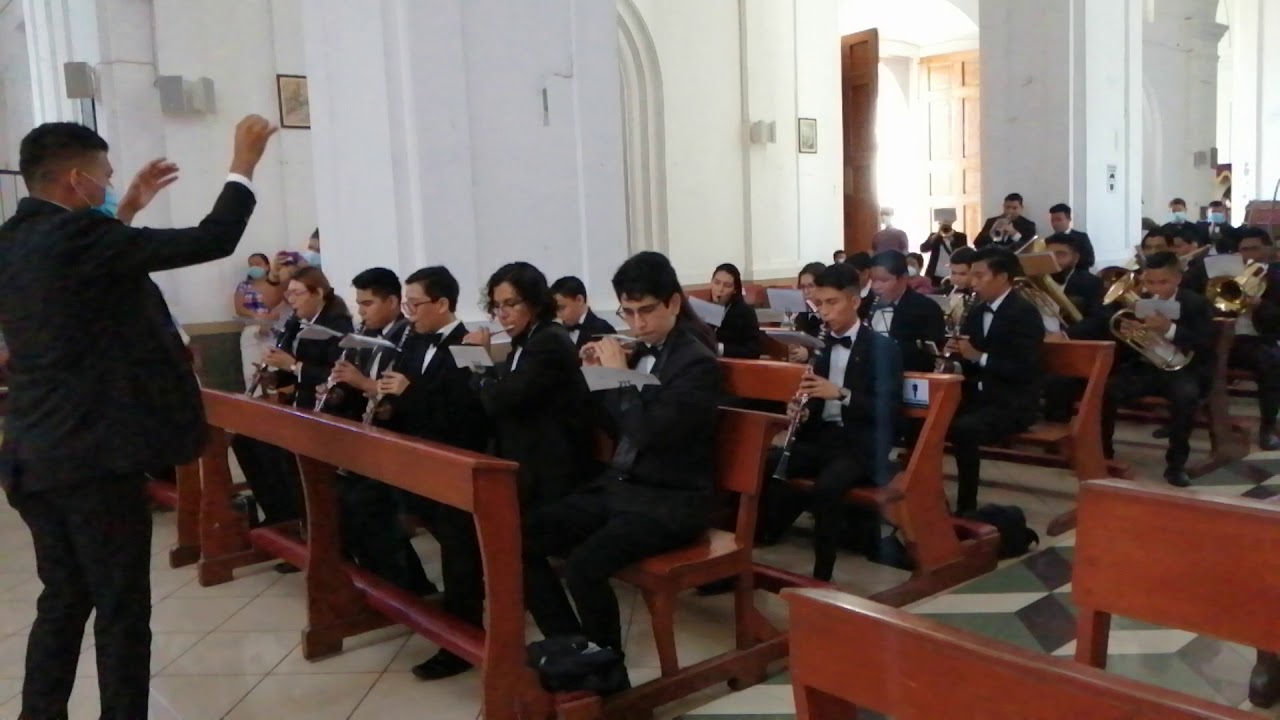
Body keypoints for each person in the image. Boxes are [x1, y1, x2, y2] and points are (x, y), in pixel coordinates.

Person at [0, 115, 275, 720]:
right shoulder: (80, 240)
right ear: (76, 179)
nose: (110, 182)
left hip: (32, 452)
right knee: (122, 605)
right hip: (93, 457)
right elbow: (213, 238)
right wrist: (243, 163)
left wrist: (121, 211)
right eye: (104, 176)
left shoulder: (15, 239)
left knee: (65, 598)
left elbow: (79, 271)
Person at [523, 251, 720, 692]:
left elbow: (649, 433)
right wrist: (599, 379)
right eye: (627, 312)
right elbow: (618, 429)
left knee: (584, 566)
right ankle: (575, 648)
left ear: (672, 303)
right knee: (522, 536)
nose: (637, 323)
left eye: (646, 310)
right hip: (626, 486)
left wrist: (621, 378)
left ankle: (608, 676)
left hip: (674, 500)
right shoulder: (642, 352)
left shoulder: (696, 362)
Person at [377, 266, 492, 680]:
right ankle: (431, 612)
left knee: (459, 551)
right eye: (406, 304)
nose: (409, 313)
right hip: (418, 456)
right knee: (440, 540)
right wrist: (387, 405)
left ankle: (464, 638)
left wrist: (409, 394)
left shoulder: (468, 345)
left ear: (443, 304)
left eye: (415, 304)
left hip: (456, 460)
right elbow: (401, 392)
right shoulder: (413, 340)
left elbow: (469, 414)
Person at [754, 262, 902, 579]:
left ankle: (822, 574)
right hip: (823, 438)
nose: (824, 312)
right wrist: (802, 410)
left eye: (832, 303)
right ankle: (750, 548)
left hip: (861, 444)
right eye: (819, 304)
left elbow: (888, 411)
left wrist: (841, 393)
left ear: (854, 301)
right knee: (763, 464)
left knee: (828, 487)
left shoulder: (882, 348)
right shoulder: (820, 345)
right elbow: (816, 400)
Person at [1070, 251, 1213, 487]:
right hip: (1146, 367)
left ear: (1178, 279)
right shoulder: (1136, 303)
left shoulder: (1194, 303)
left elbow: (1205, 344)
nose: (1155, 289)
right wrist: (1127, 334)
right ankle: (1104, 454)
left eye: (1163, 282)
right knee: (1104, 390)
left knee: (1185, 397)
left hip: (1183, 369)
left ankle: (1176, 465)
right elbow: (1116, 340)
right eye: (1149, 282)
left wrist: (1169, 329)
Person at [464, 262, 597, 508]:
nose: (502, 314)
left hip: (552, 469)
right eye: (497, 305)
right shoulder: (526, 339)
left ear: (535, 303)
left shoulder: (548, 341)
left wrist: (481, 363)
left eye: (511, 303)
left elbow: (501, 400)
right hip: (528, 462)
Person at [945, 248, 1045, 513]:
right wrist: (951, 359)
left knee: (964, 429)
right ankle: (927, 496)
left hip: (1013, 401)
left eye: (980, 275)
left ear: (1002, 277)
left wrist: (979, 357)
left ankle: (966, 504)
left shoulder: (1024, 313)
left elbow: (1025, 367)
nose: (973, 282)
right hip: (980, 395)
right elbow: (969, 358)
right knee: (926, 418)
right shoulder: (977, 311)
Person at [1223, 228, 1280, 450]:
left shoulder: (1276, 277)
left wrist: (1260, 305)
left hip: (1259, 339)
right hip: (1226, 337)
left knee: (1271, 362)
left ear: (1269, 249)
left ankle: (1267, 427)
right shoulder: (1228, 275)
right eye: (1244, 249)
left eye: (1254, 248)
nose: (1249, 254)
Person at [867, 251, 946, 373]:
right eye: (872, 280)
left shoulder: (926, 309)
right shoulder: (869, 305)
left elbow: (930, 354)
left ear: (903, 279)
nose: (875, 287)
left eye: (883, 280)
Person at [235, 252, 283, 390]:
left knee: (273, 370)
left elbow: (279, 308)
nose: (253, 267)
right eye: (251, 265)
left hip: (272, 330)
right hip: (251, 329)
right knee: (251, 372)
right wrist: (259, 318)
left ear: (267, 267)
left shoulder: (276, 286)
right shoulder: (243, 286)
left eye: (257, 264)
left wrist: (267, 323)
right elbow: (239, 308)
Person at [707, 263, 762, 359]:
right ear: (711, 283)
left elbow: (753, 350)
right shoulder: (704, 308)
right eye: (716, 283)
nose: (720, 289)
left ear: (735, 290)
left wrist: (720, 348)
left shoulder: (745, 312)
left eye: (727, 286)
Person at [551, 275, 617, 351]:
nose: (558, 315)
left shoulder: (603, 330)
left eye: (562, 308)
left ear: (579, 300)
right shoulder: (557, 331)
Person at [1047, 203, 1097, 270]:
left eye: (1059, 220)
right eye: (1052, 221)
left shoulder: (1082, 237)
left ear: (1069, 219)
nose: (1055, 223)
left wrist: (1067, 261)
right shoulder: (1048, 240)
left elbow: (1090, 260)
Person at [921, 218, 968, 287]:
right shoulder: (934, 236)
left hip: (953, 274)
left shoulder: (961, 236)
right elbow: (923, 249)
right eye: (941, 224)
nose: (944, 226)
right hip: (935, 275)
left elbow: (962, 254)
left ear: (951, 224)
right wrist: (936, 235)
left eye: (946, 224)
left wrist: (952, 241)